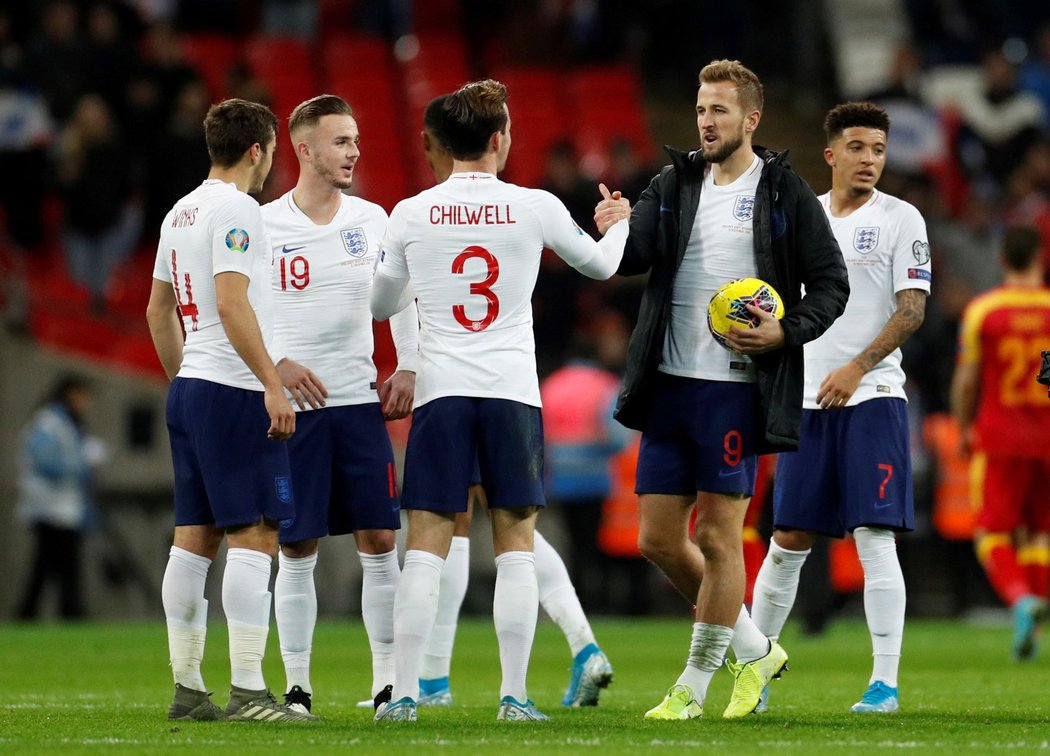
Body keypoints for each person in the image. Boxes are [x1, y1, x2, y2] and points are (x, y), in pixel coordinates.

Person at [595, 59, 849, 720]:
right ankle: (755, 649)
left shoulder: (783, 192)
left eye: (720, 111)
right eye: (702, 109)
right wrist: (616, 225)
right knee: (655, 539)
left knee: (718, 535)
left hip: (736, 389)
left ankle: (693, 687)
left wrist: (786, 332)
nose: (706, 121)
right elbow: (633, 256)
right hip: (671, 385)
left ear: (751, 119)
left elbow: (830, 284)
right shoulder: (673, 184)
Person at [370, 79, 629, 722]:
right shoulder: (533, 205)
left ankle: (403, 695)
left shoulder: (411, 212)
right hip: (512, 394)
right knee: (515, 544)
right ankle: (513, 696)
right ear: (497, 140)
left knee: (426, 544)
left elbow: (379, 305)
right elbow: (599, 266)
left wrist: (416, 284)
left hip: (441, 394)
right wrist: (618, 226)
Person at [748, 101, 930, 714]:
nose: (870, 160)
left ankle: (884, 684)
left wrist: (858, 367)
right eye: (857, 148)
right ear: (832, 155)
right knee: (787, 537)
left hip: (873, 397)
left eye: (878, 150)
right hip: (804, 399)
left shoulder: (903, 219)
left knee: (874, 535)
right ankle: (757, 675)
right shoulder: (802, 221)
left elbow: (911, 310)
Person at [145, 98, 311, 723]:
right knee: (257, 532)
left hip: (192, 388)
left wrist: (186, 380)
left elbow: (158, 312)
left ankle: (188, 689)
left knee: (194, 539)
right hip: (234, 388)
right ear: (257, 150)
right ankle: (247, 691)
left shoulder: (179, 211)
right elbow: (232, 302)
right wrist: (270, 381)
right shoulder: (240, 209)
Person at [261, 94, 419, 716]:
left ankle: (386, 684)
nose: (353, 152)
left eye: (355, 140)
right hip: (291, 412)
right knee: (296, 545)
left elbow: (405, 298)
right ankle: (297, 687)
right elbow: (237, 308)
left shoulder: (374, 219)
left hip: (357, 403)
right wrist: (272, 363)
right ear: (304, 148)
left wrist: (407, 362)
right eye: (340, 141)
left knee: (380, 537)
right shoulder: (264, 225)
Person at [950, 224, 1050, 660]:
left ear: (1003, 259)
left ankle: (1020, 600)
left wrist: (963, 424)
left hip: (1000, 436)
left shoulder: (984, 312)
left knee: (992, 530)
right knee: (1041, 534)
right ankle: (1033, 613)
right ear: (1040, 258)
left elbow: (968, 380)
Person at [16, 374, 104, 620]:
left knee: (46, 566)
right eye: (82, 396)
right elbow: (45, 462)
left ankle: (28, 614)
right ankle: (69, 614)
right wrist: (84, 463)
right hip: (49, 507)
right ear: (70, 394)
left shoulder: (67, 423)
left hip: (62, 507)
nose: (85, 402)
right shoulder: (49, 422)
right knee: (64, 566)